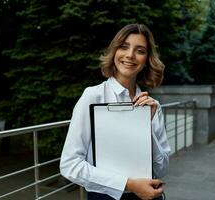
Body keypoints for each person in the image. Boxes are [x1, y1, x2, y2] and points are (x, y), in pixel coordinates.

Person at [60, 24, 171, 200]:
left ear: (147, 59)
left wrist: (144, 127)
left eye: (140, 50)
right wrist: (128, 184)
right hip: (105, 197)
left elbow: (162, 169)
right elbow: (69, 165)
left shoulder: (152, 106)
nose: (130, 55)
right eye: (124, 47)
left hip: (149, 196)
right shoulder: (94, 96)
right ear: (114, 51)